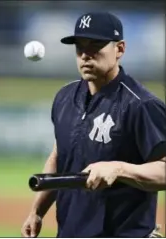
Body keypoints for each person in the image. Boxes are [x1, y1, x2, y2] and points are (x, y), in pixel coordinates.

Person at [21, 12, 166, 238]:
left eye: (96, 45)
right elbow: (59, 156)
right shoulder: (64, 97)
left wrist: (119, 168)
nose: (86, 55)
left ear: (119, 49)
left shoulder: (141, 105)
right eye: (79, 46)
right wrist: (37, 211)